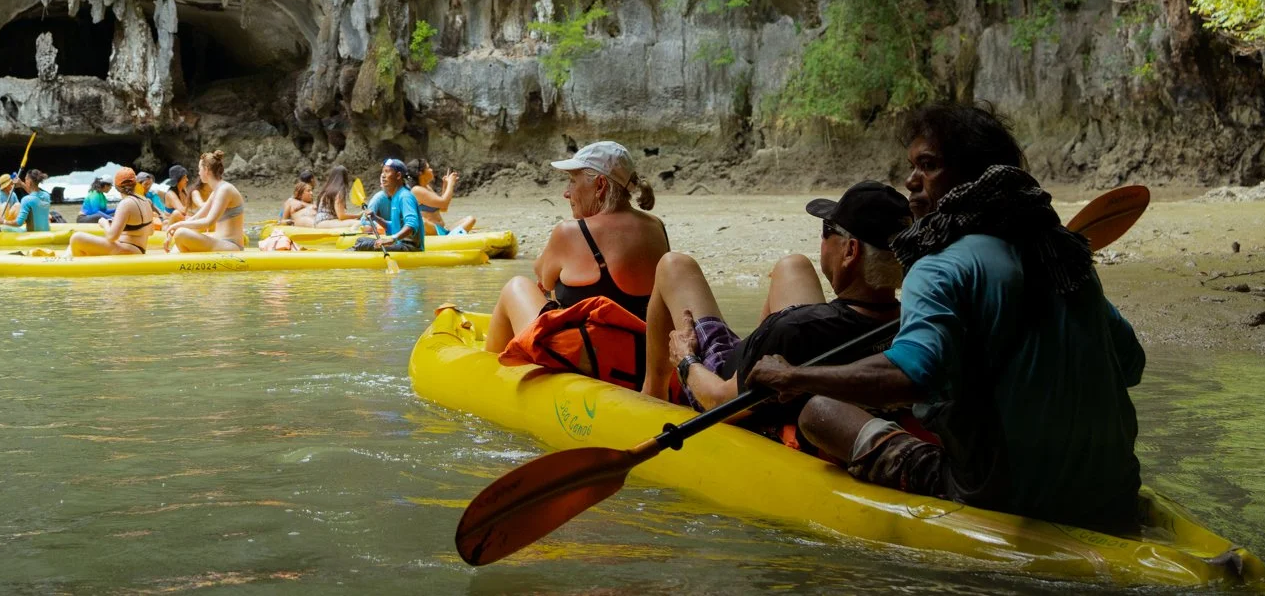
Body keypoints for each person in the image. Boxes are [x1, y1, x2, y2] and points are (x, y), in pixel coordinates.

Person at [742, 103, 1146, 532]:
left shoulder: (938, 267)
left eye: (927, 166)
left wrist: (796, 378)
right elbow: (1129, 364)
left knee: (820, 411)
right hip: (1113, 493)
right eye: (913, 166)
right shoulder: (1067, 261)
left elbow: (910, 379)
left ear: (971, 177)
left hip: (1002, 497)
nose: (910, 181)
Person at [643, 181, 909, 442]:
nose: (822, 238)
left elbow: (720, 402)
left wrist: (686, 360)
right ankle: (750, 353)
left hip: (723, 383)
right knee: (793, 265)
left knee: (673, 266)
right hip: (777, 353)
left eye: (828, 230)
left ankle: (652, 394)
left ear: (850, 250)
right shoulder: (913, 322)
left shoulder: (795, 329)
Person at [484, 141, 667, 354]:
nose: (566, 193)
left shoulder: (570, 232)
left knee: (516, 287)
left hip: (588, 361)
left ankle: (487, 367)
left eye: (572, 181)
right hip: (641, 357)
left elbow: (543, 277)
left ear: (600, 185)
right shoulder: (656, 227)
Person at [165, 151, 247, 252]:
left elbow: (208, 221)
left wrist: (177, 225)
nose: (199, 173)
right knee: (181, 234)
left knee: (181, 233)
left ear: (206, 170)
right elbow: (197, 217)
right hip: (220, 241)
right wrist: (172, 230)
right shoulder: (217, 191)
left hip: (231, 245)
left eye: (199, 169)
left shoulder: (225, 190)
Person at [70, 168, 158, 256]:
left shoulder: (126, 203)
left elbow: (112, 237)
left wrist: (104, 223)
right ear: (135, 184)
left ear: (117, 187)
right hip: (137, 248)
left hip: (128, 250)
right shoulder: (147, 201)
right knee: (74, 247)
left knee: (76, 238)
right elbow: (150, 232)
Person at [358, 159, 426, 252]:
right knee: (361, 240)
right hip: (400, 244)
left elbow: (412, 225)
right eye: (382, 172)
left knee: (363, 245)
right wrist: (376, 218)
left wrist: (392, 239)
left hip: (410, 247)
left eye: (387, 172)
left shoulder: (405, 196)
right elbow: (394, 227)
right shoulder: (396, 196)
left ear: (398, 175)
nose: (383, 175)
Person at [411, 160, 476, 235]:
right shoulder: (416, 190)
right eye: (428, 168)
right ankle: (451, 236)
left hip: (442, 229)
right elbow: (444, 203)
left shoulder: (427, 187)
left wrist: (445, 185)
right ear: (420, 173)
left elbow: (443, 208)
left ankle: (450, 235)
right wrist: (451, 184)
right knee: (422, 221)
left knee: (471, 219)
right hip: (432, 231)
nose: (431, 170)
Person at [0, 169, 53, 234]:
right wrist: (21, 184)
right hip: (46, 231)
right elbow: (35, 195)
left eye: (25, 179)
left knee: (3, 227)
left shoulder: (26, 199)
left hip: (34, 234)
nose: (25, 181)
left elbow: (19, 223)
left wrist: (4, 221)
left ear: (29, 182)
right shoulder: (46, 195)